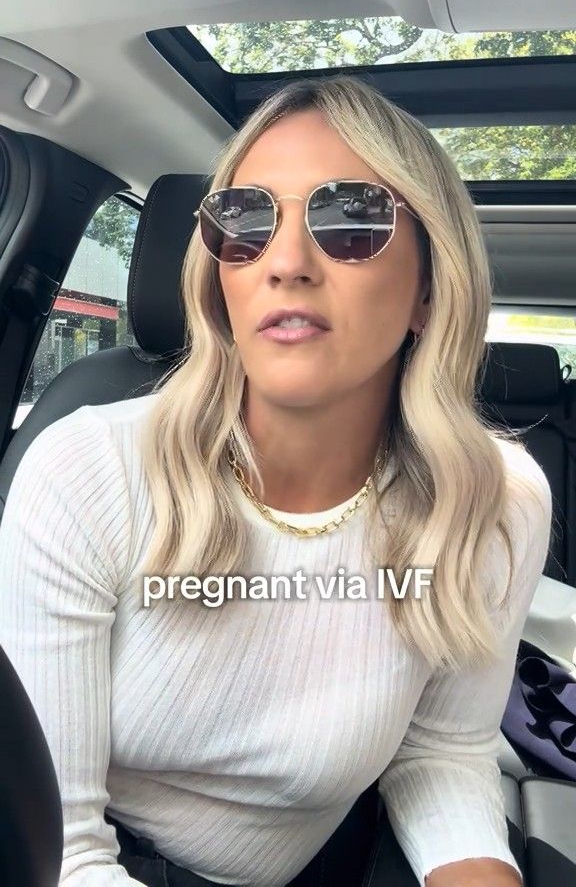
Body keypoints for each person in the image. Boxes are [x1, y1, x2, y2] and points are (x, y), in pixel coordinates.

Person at [0, 76, 552, 887]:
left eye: (353, 220)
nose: (286, 262)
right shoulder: (88, 472)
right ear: (218, 277)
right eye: (245, 222)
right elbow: (63, 850)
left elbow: (441, 749)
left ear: (430, 288)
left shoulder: (497, 503)